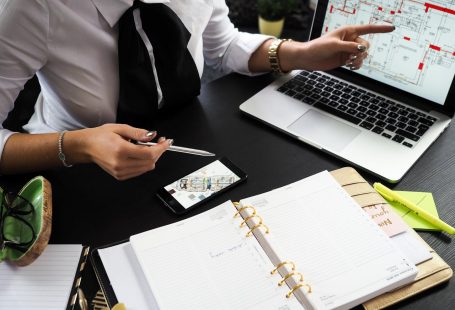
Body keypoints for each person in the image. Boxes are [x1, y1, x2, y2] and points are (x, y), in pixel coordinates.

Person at [0, 0, 394, 180]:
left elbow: (220, 46)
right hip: (78, 172)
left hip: (187, 140)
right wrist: (78, 145)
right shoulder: (30, 7)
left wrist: (299, 54)